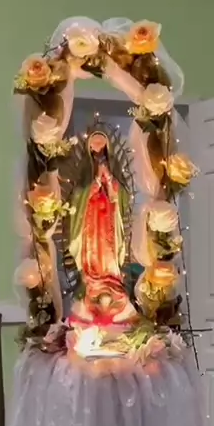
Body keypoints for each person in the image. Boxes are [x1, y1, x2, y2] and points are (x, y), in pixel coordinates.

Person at [68, 131, 138, 326]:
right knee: (94, 252)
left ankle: (110, 278)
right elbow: (78, 197)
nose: (98, 147)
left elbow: (122, 196)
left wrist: (109, 180)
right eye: (94, 143)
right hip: (91, 223)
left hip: (108, 221)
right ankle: (93, 279)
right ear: (89, 147)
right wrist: (95, 183)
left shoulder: (112, 167)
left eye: (101, 143)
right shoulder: (84, 170)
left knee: (108, 252)